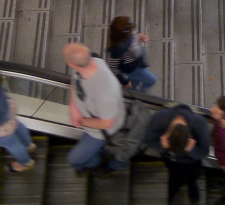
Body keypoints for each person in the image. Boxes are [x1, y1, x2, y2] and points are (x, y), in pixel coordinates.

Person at [64, 42, 126, 174]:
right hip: (91, 122)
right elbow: (75, 82)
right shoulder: (89, 61)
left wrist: (81, 121)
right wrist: (73, 107)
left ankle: (97, 164)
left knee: (74, 160)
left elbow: (107, 123)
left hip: (99, 133)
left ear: (70, 64)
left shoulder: (104, 93)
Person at [143, 103, 211, 202]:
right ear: (167, 133)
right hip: (169, 160)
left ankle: (192, 189)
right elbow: (149, 141)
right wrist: (161, 145)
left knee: (192, 178)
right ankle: (174, 189)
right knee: (174, 178)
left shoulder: (200, 124)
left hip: (191, 162)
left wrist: (190, 150)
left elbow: (204, 151)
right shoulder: (159, 118)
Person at [106, 16, 156, 92]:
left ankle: (131, 92)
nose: (134, 30)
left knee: (135, 81)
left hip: (137, 61)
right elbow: (112, 67)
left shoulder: (128, 30)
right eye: (132, 29)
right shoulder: (119, 47)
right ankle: (141, 95)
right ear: (125, 33)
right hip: (132, 68)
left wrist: (139, 35)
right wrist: (125, 82)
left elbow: (134, 32)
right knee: (152, 80)